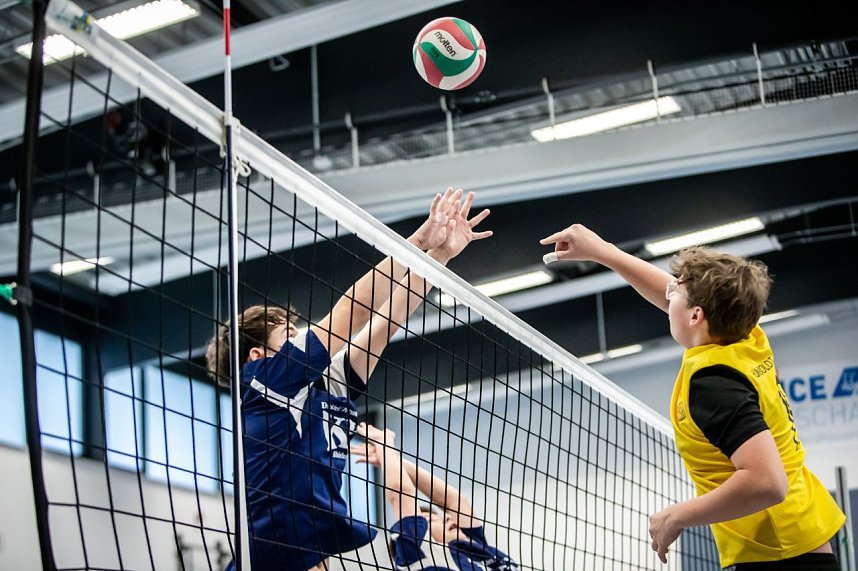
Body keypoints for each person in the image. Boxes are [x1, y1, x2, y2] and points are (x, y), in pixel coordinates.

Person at [206, 189, 493, 571]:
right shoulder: (264, 382)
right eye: (287, 334)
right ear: (258, 356)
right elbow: (351, 311)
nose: (300, 336)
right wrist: (417, 242)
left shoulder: (324, 387)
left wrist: (438, 256)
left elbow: (385, 323)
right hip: (276, 553)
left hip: (316, 548)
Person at [539, 223, 846, 570]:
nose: (668, 294)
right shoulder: (743, 335)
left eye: (676, 294)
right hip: (796, 543)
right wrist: (604, 251)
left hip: (780, 554)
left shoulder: (714, 384)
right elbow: (673, 295)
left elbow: (767, 482)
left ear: (697, 314)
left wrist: (677, 515)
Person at [350, 423, 519, 571]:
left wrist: (390, 458)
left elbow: (454, 500)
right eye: (429, 523)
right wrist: (384, 443)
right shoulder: (420, 555)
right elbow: (401, 491)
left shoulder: (473, 549)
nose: (447, 518)